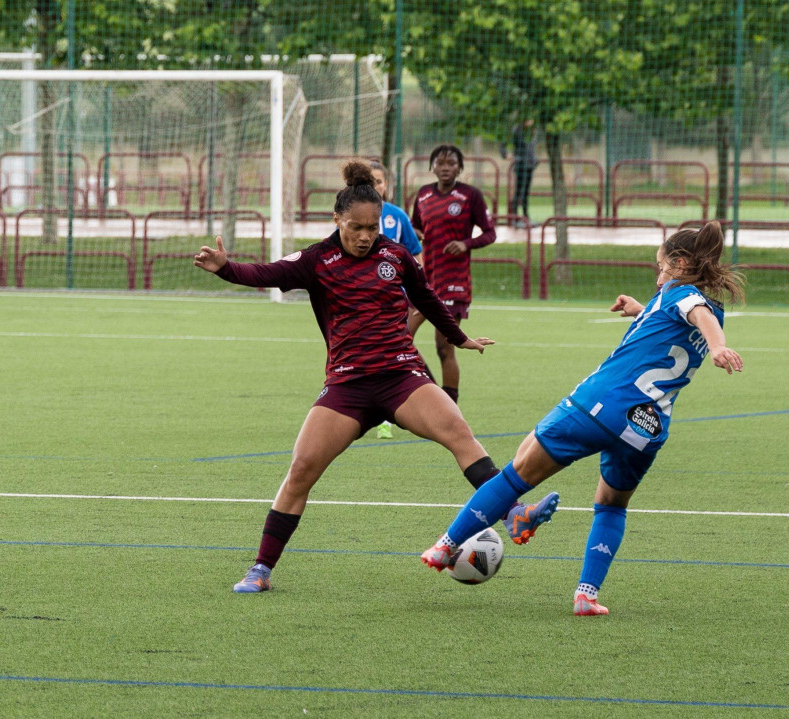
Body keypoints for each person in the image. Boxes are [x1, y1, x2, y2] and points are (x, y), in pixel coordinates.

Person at [193, 160, 560, 593]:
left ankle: (515, 512)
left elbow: (427, 297)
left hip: (402, 377)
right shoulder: (317, 259)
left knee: (460, 434)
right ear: (337, 220)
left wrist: (458, 339)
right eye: (356, 227)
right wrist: (226, 267)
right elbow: (267, 273)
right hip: (347, 387)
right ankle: (261, 569)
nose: (366, 236)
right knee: (301, 471)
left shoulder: (395, 254)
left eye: (372, 227)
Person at [422, 221, 745, 616]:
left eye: (660, 266)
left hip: (601, 406)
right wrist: (642, 313)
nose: (657, 274)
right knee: (611, 506)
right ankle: (586, 595)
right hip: (647, 427)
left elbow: (694, 313)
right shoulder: (711, 308)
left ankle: (447, 545)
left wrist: (718, 347)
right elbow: (678, 328)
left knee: (517, 471)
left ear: (678, 264)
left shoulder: (683, 294)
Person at [408, 144, 496, 406]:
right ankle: (431, 392)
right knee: (401, 336)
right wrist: (417, 234)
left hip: (454, 282)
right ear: (432, 166)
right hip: (424, 280)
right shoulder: (423, 195)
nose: (445, 168)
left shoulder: (470, 196)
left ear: (460, 167)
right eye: (440, 163)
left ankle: (449, 407)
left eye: (451, 163)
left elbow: (490, 233)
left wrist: (465, 244)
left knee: (444, 345)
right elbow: (414, 226)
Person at [369, 159, 423, 440]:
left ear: (386, 185)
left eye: (378, 181)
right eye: (369, 181)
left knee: (390, 353)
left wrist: (416, 287)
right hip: (357, 301)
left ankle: (386, 417)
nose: (375, 186)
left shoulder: (396, 216)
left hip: (394, 302)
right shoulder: (348, 216)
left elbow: (416, 254)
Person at [500, 118, 538, 226]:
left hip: (530, 165)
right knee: (519, 192)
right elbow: (503, 143)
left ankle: (526, 216)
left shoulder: (531, 132)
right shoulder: (516, 130)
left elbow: (531, 148)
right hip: (521, 165)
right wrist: (506, 155)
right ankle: (515, 218)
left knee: (526, 192)